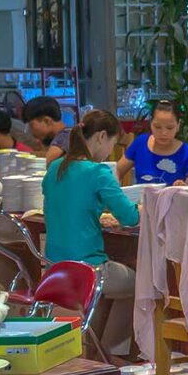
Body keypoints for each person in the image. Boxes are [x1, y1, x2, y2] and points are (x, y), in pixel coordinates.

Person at [42, 111, 139, 358]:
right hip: (90, 270)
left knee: (114, 283)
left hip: (54, 269)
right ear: (101, 136)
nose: (109, 152)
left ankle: (100, 351)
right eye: (112, 145)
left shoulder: (55, 168)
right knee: (142, 285)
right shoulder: (98, 172)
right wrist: (144, 207)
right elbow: (129, 217)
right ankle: (111, 353)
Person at [116, 101, 188, 186]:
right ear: (150, 123)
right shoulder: (140, 143)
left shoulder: (187, 152)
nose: (163, 133)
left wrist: (184, 188)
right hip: (141, 195)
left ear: (178, 125)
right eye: (157, 127)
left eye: (169, 128)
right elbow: (117, 172)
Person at [24, 96, 72, 164]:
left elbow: (46, 163)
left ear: (46, 121)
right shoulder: (55, 139)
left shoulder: (65, 135)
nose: (30, 130)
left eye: (31, 125)